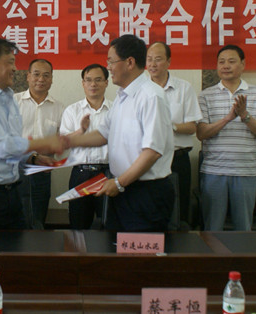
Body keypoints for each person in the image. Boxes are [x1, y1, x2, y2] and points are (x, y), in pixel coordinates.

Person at [0, 38, 66, 230]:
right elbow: (1, 146)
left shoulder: (8, 98)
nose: (15, 69)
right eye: (10, 62)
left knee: (15, 247)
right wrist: (46, 142)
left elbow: (13, 142)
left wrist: (32, 158)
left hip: (10, 193)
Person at [68, 34, 174, 232]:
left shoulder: (151, 96)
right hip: (123, 189)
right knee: (118, 245)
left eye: (111, 61)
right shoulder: (122, 97)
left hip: (145, 193)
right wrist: (68, 142)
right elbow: (103, 134)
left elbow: (152, 152)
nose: (108, 67)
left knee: (140, 249)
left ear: (130, 62)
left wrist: (118, 183)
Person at [196, 45, 256, 231]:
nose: (225, 66)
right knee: (212, 228)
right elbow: (201, 134)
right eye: (221, 62)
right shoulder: (206, 95)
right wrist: (228, 118)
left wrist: (244, 115)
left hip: (245, 171)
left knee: (243, 228)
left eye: (231, 61)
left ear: (243, 64)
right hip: (214, 171)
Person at [146, 42, 202, 226]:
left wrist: (169, 126)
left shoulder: (184, 88)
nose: (152, 64)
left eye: (158, 59)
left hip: (177, 159)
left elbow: (192, 127)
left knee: (179, 212)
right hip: (148, 160)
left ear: (168, 62)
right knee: (151, 209)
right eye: (149, 59)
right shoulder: (140, 89)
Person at [60, 63, 112, 230]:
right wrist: (80, 131)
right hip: (80, 174)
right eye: (88, 80)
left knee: (109, 224)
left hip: (108, 174)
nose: (93, 84)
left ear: (106, 82)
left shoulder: (116, 110)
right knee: (78, 225)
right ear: (83, 83)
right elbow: (63, 143)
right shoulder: (72, 111)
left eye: (98, 80)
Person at [14, 58, 64, 228]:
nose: (41, 79)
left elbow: (61, 140)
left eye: (46, 75)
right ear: (28, 76)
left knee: (38, 219)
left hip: (42, 170)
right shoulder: (13, 102)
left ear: (52, 79)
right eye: (36, 74)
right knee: (15, 219)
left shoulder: (59, 108)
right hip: (15, 169)